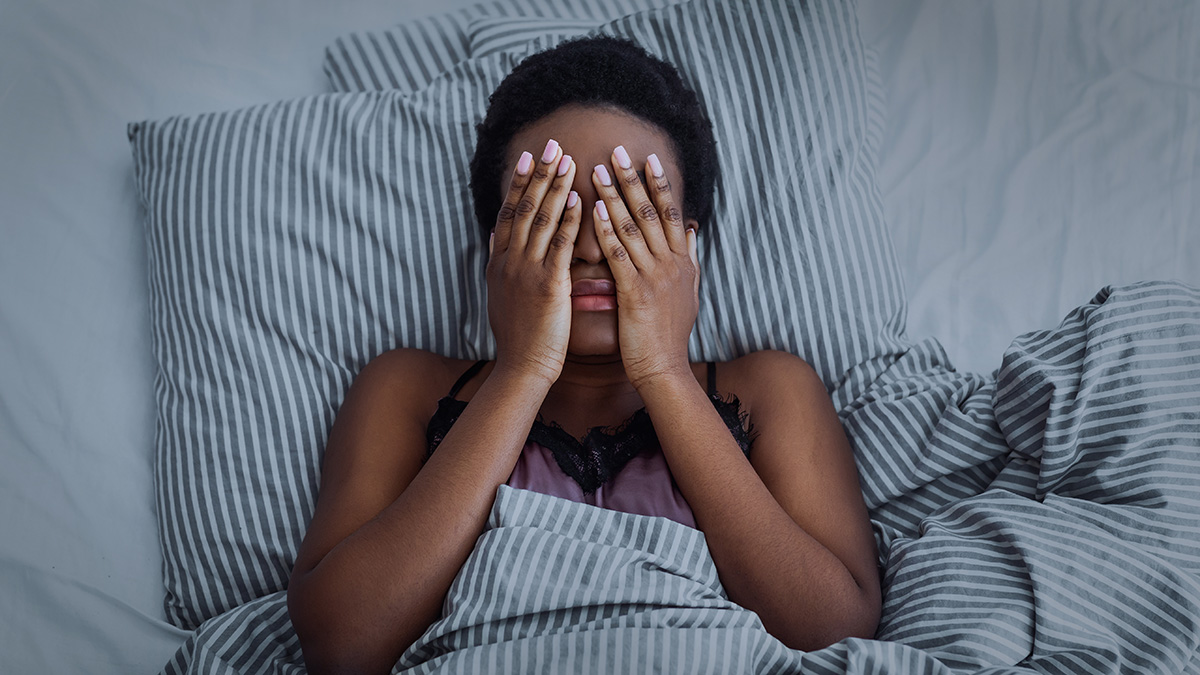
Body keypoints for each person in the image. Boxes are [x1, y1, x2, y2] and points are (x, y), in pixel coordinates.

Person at [286, 35, 881, 674]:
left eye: (633, 213)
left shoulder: (768, 391)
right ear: (496, 243)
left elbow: (830, 630)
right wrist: (521, 369)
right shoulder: (406, 389)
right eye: (556, 212)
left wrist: (664, 371)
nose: (595, 249)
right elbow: (341, 645)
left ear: (689, 246)